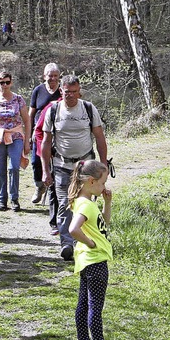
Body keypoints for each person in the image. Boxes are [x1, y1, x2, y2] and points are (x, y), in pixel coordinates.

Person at [41, 75, 107, 261]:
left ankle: (85, 240)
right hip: (62, 165)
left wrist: (103, 165)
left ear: (79, 92)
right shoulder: (53, 111)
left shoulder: (88, 109)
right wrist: (46, 170)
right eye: (66, 92)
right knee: (64, 204)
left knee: (85, 205)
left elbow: (100, 138)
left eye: (73, 92)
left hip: (86, 166)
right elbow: (45, 143)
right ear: (60, 91)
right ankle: (67, 244)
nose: (70, 95)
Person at [68, 160, 126, 340]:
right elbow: (73, 230)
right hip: (96, 260)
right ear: (91, 181)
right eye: (103, 182)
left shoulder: (85, 202)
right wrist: (90, 243)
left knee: (83, 304)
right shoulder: (85, 204)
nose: (104, 187)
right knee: (95, 306)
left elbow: (103, 224)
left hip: (87, 262)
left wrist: (107, 203)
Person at [0, 71, 31, 212]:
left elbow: (27, 120)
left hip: (15, 135)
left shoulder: (18, 99)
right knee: (0, 169)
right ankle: (2, 200)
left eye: (7, 82)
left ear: (11, 83)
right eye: (2, 82)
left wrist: (27, 141)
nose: (5, 85)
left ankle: (14, 198)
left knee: (13, 167)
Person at [29, 63, 61, 204]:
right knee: (36, 161)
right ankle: (39, 187)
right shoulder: (38, 90)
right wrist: (29, 133)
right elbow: (31, 114)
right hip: (39, 132)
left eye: (55, 76)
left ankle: (55, 190)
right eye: (50, 76)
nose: (52, 79)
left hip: (58, 133)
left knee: (55, 162)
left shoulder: (63, 91)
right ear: (44, 76)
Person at [34, 99, 60, 235]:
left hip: (80, 156)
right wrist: (45, 153)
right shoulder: (52, 108)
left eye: (76, 92)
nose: (72, 96)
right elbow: (39, 131)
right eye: (67, 92)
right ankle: (55, 223)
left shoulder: (85, 108)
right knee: (54, 188)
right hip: (56, 157)